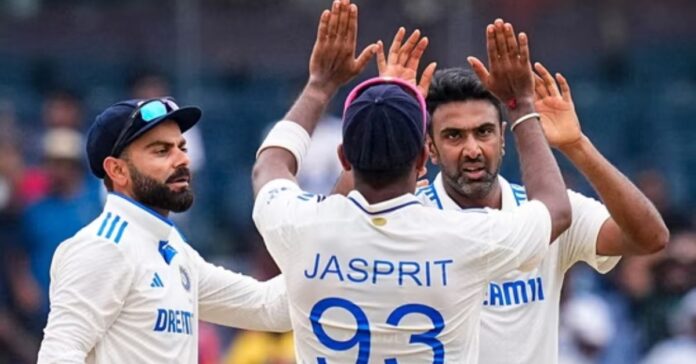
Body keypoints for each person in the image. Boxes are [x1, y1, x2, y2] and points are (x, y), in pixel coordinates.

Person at [252, 1, 570, 362]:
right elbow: (556, 210)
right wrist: (522, 106)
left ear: (343, 159)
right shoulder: (467, 237)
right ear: (423, 159)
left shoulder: (300, 228)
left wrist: (319, 86)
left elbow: (270, 165)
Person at [409, 35, 669, 363]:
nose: (473, 149)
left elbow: (650, 238)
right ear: (430, 148)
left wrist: (577, 145)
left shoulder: (544, 210)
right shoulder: (410, 211)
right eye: (453, 136)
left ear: (503, 137)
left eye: (484, 132)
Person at [37, 97, 291, 363]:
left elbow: (269, 307)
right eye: (161, 151)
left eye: (182, 147)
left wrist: (329, 229)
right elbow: (59, 355)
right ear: (117, 170)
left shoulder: (174, 249)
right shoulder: (104, 247)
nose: (182, 160)